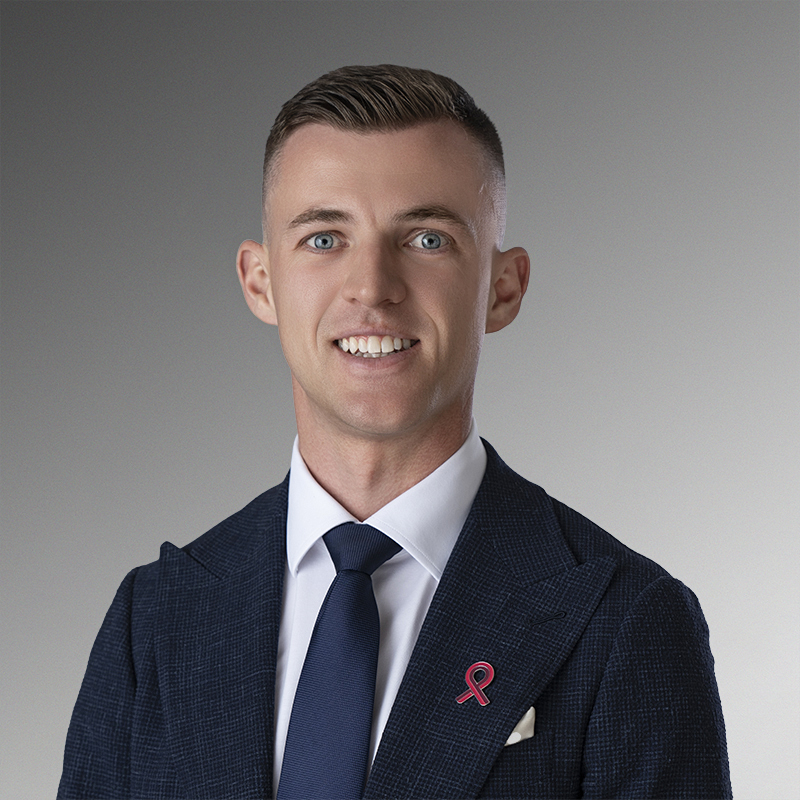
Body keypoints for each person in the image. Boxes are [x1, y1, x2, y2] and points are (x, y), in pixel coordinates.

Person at [58, 65, 731, 800]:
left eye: (427, 239)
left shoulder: (628, 621)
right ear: (260, 281)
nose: (372, 287)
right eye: (324, 238)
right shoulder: (155, 622)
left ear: (503, 287)